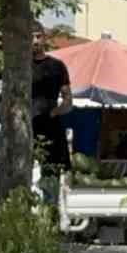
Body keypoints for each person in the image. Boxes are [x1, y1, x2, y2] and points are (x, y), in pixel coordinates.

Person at [31, 29, 74, 199]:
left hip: (50, 128)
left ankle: (50, 216)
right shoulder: (18, 67)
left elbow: (68, 100)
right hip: (25, 127)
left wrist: (54, 113)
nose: (35, 41)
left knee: (50, 176)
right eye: (31, 37)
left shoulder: (57, 66)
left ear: (44, 38)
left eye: (38, 36)